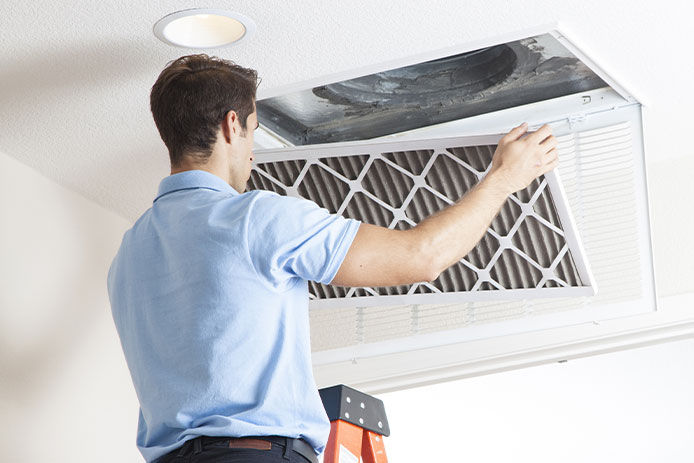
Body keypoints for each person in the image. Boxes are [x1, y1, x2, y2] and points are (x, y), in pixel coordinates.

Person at [107, 54, 558, 463]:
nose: (252, 152)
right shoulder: (256, 217)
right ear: (231, 126)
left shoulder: (129, 253)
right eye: (253, 131)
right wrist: (504, 178)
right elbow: (422, 256)